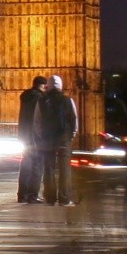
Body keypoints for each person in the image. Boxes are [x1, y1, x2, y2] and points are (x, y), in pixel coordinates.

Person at [36, 74, 80, 206]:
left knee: (48, 168)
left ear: (48, 86)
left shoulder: (42, 101)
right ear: (60, 86)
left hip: (47, 139)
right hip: (63, 139)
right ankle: (64, 198)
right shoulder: (68, 100)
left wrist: (41, 136)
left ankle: (50, 198)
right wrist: (70, 136)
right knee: (64, 169)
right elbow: (74, 120)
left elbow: (37, 122)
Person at [16, 75, 48, 203]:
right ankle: (32, 195)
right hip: (37, 137)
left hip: (24, 136)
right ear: (43, 86)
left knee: (25, 165)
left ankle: (22, 195)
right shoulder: (41, 98)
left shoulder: (25, 96)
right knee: (37, 166)